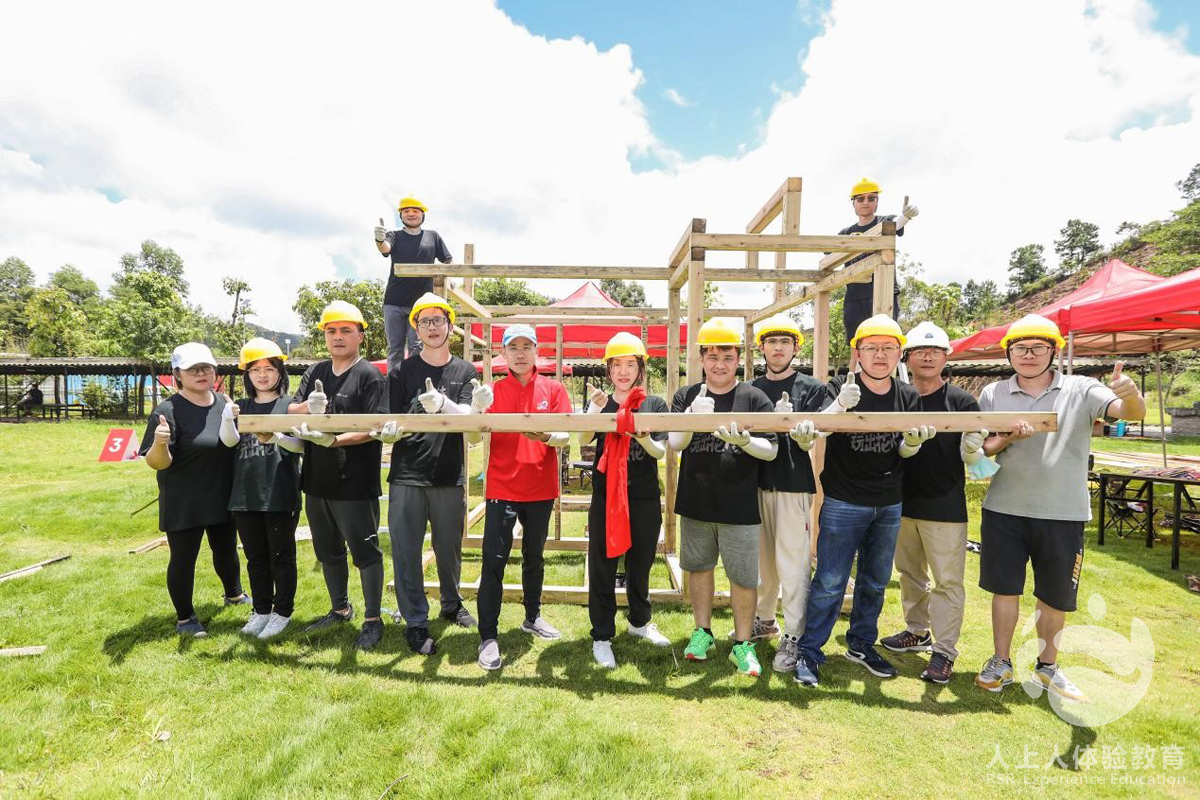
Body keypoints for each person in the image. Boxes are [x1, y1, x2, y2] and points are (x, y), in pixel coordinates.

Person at [974, 314, 1145, 701]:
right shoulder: (993, 393)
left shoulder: (1081, 388)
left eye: (1038, 347)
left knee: (1054, 594)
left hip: (1063, 511)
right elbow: (982, 449)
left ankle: (1048, 667)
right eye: (1020, 348)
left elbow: (1130, 413)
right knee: (1004, 589)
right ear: (1008, 353)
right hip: (1004, 508)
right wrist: (1007, 438)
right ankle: (1001, 661)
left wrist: (1131, 394)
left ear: (1054, 351)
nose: (1028, 354)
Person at [793, 315, 934, 687]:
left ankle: (860, 644)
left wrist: (913, 443)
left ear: (899, 354)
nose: (880, 355)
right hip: (844, 501)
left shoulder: (907, 396)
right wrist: (840, 405)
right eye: (872, 348)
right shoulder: (839, 386)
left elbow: (904, 450)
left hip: (888, 502)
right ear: (858, 353)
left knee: (874, 581)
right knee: (830, 581)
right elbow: (819, 428)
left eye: (888, 348)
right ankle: (810, 651)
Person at [372, 293, 494, 656]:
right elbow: (388, 418)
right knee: (406, 552)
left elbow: (471, 428)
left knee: (449, 549)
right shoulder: (401, 372)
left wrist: (456, 407)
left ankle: (451, 603)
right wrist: (388, 433)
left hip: (448, 474)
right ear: (416, 329)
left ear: (450, 326)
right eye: (424, 321)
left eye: (438, 320)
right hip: (407, 474)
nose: (432, 327)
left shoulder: (465, 372)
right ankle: (415, 621)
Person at [668, 318, 778, 677]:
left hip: (739, 504)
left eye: (727, 357)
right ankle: (702, 633)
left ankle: (743, 644)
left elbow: (771, 450)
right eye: (712, 356)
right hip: (696, 501)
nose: (720, 364)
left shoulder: (754, 398)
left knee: (743, 577)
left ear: (738, 359)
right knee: (699, 569)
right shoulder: (687, 396)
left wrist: (745, 441)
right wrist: (690, 417)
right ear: (702, 358)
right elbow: (675, 444)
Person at [879, 322, 986, 684]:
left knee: (947, 582)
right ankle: (917, 631)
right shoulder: (898, 397)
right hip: (901, 502)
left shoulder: (961, 401)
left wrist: (974, 450)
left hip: (944, 504)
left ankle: (944, 652)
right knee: (910, 575)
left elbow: (977, 460)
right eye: (920, 352)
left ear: (945, 358)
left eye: (935, 352)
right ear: (907, 358)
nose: (927, 357)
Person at [287, 301, 388, 650]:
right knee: (328, 551)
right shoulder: (316, 371)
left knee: (365, 553)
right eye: (331, 331)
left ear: (361, 336)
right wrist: (310, 407)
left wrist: (332, 440)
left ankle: (373, 620)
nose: (338, 336)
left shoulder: (370, 376)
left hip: (355, 482)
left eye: (346, 330)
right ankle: (340, 609)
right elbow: (291, 409)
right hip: (316, 481)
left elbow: (375, 426)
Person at [476, 324, 572, 671]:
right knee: (494, 560)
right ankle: (488, 635)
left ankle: (532, 616)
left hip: (540, 487)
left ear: (536, 352)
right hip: (502, 486)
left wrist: (545, 436)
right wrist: (475, 409)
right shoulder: (491, 391)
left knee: (534, 556)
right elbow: (475, 434)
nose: (520, 353)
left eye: (526, 346)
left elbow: (566, 434)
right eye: (513, 347)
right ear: (503, 353)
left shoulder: (554, 388)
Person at [140, 342, 249, 637]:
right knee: (183, 558)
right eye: (192, 369)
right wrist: (160, 442)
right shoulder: (167, 411)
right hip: (184, 499)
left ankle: (234, 593)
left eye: (206, 368)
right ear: (178, 374)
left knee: (226, 550)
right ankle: (185, 618)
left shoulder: (224, 402)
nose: (201, 373)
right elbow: (157, 463)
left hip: (222, 494)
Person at [579, 332, 671, 669]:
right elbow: (583, 438)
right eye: (616, 364)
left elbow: (660, 451)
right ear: (608, 369)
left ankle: (639, 622)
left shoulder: (654, 404)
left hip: (643, 495)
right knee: (603, 566)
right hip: (607, 496)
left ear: (640, 368)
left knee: (641, 564)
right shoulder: (603, 402)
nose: (623, 371)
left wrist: (641, 437)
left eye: (630, 364)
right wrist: (594, 408)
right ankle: (602, 635)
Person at [749, 315, 827, 673]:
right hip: (754, 485)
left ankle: (795, 635)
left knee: (793, 565)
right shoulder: (750, 389)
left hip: (793, 484)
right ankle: (764, 620)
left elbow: (820, 431)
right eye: (772, 342)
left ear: (796, 348)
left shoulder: (811, 388)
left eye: (785, 342)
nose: (778, 348)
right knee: (762, 564)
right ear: (761, 347)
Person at [218, 337, 303, 640]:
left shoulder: (289, 406)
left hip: (280, 491)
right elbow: (229, 441)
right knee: (255, 557)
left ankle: (283, 612)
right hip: (245, 493)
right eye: (255, 369)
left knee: (281, 556)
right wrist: (227, 418)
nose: (262, 375)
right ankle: (262, 610)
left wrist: (277, 437)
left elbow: (301, 445)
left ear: (280, 371)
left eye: (269, 369)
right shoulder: (241, 407)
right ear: (247, 374)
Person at [375, 196, 453, 374]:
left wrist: (449, 276)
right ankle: (394, 384)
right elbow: (385, 248)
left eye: (415, 211)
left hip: (421, 304)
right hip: (394, 301)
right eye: (406, 211)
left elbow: (448, 260)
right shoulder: (394, 236)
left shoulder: (432, 237)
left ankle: (415, 382)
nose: (411, 214)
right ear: (401, 215)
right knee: (395, 348)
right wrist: (379, 240)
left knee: (417, 347)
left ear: (422, 214)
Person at [839, 177, 918, 344]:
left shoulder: (885, 221)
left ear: (877, 201)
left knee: (886, 338)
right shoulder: (846, 232)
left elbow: (894, 225)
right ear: (853, 203)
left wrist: (905, 217)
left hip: (884, 291)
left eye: (871, 198)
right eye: (860, 199)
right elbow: (830, 251)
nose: (866, 202)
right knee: (856, 343)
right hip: (855, 295)